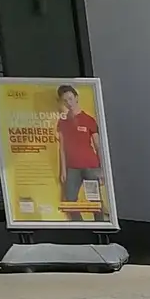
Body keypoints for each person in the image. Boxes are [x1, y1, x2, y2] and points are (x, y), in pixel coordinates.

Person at [56, 85, 105, 223]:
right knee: (70, 201)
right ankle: (82, 227)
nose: (69, 103)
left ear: (76, 98)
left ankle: (99, 227)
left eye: (71, 99)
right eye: (65, 100)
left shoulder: (89, 120)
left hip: (91, 166)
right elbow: (62, 148)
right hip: (72, 168)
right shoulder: (62, 122)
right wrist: (63, 170)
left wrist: (102, 170)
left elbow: (98, 145)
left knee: (94, 201)